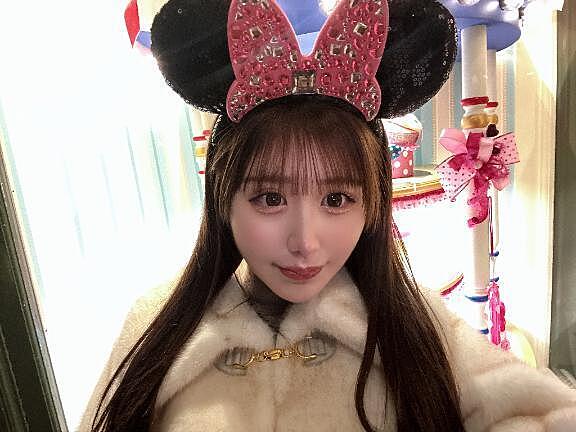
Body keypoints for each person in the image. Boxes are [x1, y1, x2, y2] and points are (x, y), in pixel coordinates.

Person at [80, 0, 576, 431]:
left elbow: (538, 412)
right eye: (269, 199)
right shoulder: (155, 324)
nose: (305, 242)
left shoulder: (416, 323)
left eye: (336, 200)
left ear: (372, 203)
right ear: (223, 199)